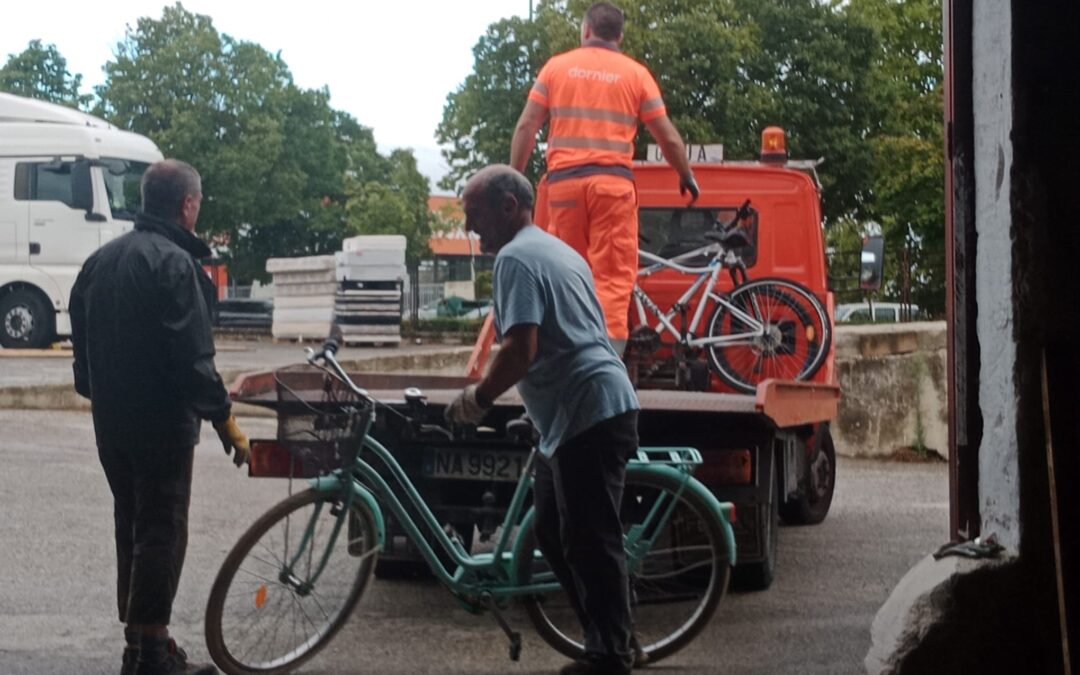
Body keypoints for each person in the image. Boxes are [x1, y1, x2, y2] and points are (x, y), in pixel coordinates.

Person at [446, 165, 641, 675]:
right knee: (554, 534)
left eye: (475, 216)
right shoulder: (556, 249)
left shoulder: (514, 259)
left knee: (591, 538)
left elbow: (520, 349)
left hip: (588, 413)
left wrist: (479, 399)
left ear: (508, 207)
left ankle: (611, 655)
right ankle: (612, 636)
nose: (471, 229)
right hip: (582, 413)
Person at [70, 159, 250, 675]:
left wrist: (107, 396)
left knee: (132, 526)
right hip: (162, 429)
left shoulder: (98, 262)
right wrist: (225, 422)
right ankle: (151, 657)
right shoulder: (175, 265)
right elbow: (193, 358)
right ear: (187, 205)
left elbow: (82, 365)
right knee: (161, 532)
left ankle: (141, 645)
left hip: (112, 427)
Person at [510, 1, 699, 355]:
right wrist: (685, 175)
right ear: (620, 36)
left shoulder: (556, 68)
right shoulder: (636, 74)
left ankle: (563, 357)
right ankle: (606, 367)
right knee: (611, 280)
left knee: (564, 273)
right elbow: (667, 135)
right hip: (612, 188)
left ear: (585, 31)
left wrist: (514, 180)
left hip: (564, 187)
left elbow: (527, 126)